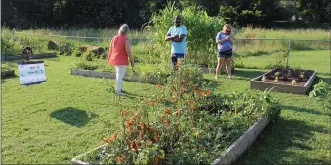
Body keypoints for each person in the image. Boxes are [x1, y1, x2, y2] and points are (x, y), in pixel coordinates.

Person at [108, 24, 134, 96]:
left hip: (115, 59)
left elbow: (110, 48)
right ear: (127, 31)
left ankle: (119, 88)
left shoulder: (114, 38)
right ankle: (118, 91)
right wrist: (132, 61)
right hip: (122, 60)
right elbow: (128, 51)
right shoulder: (125, 40)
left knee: (118, 75)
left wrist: (109, 57)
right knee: (119, 75)